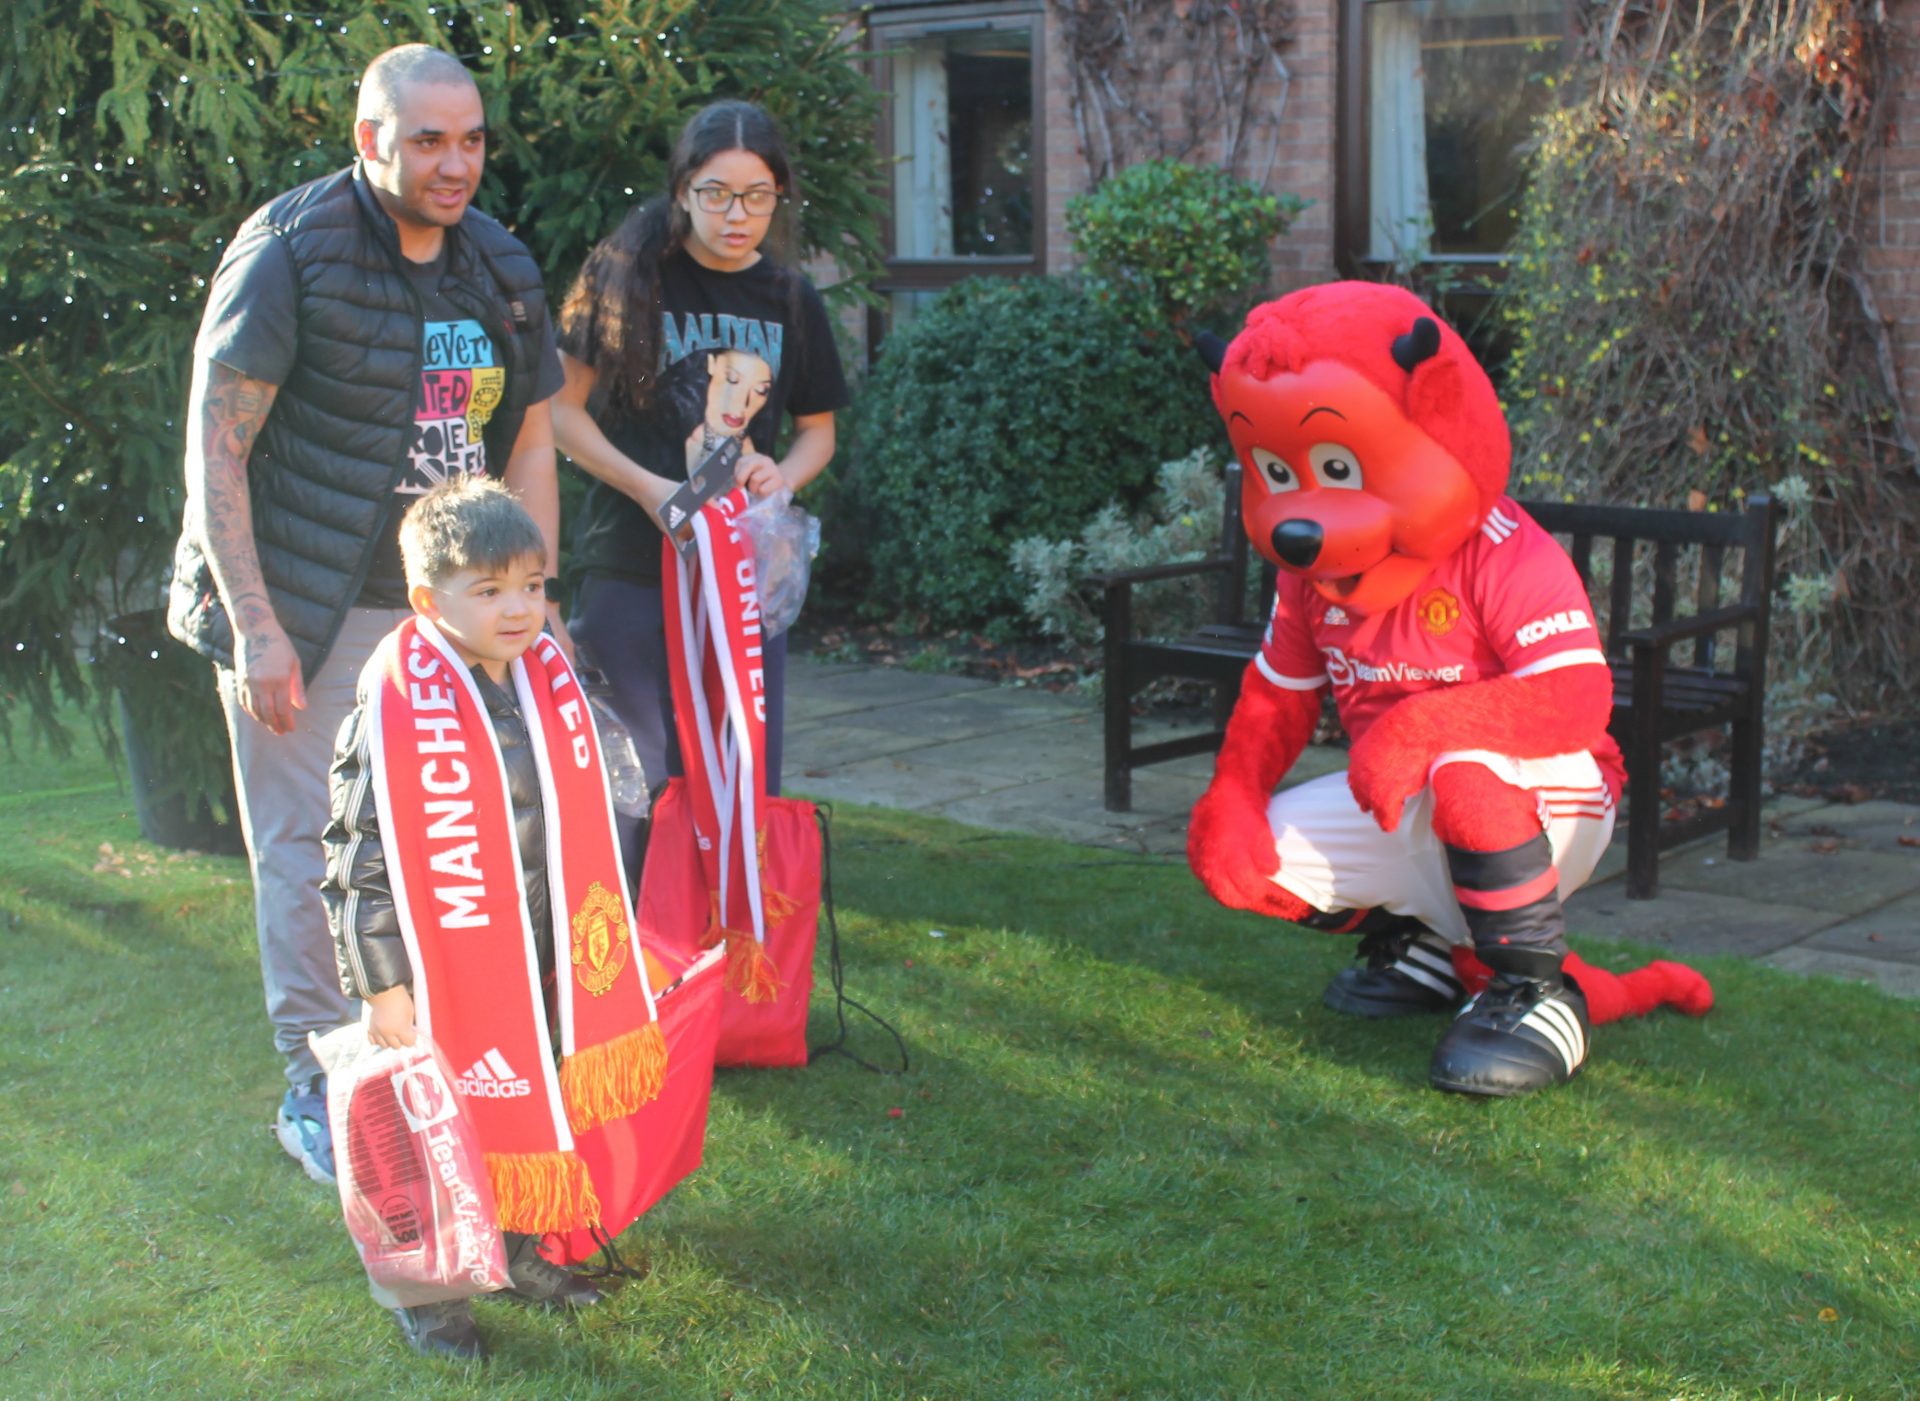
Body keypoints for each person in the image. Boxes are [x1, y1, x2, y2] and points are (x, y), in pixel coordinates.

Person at [166, 44, 568, 1186]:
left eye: (472, 138)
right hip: (306, 605)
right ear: (368, 140)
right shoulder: (290, 249)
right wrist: (254, 626)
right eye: (427, 139)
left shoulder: (497, 260)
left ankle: (451, 1066)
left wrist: (536, 599)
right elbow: (216, 446)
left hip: (446, 610)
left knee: (457, 843)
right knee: (314, 852)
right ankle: (317, 1086)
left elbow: (529, 439)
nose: (456, 163)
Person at [322, 477, 649, 1361]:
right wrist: (382, 984)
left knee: (520, 1109)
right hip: (437, 974)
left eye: (534, 586)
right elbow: (359, 858)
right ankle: (432, 1296)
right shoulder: (395, 702)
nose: (519, 608)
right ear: (429, 599)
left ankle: (513, 1250)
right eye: (489, 588)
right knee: (435, 1130)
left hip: (532, 955)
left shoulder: (544, 679)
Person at [552, 99, 850, 877]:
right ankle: (630, 983)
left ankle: (728, 986)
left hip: (740, 577)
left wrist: (777, 474)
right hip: (628, 568)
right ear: (682, 188)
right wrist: (649, 488)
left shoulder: (791, 298)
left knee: (740, 779)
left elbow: (818, 428)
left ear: (779, 197)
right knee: (636, 782)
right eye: (716, 192)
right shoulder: (624, 278)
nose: (737, 214)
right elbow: (557, 412)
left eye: (758, 195)